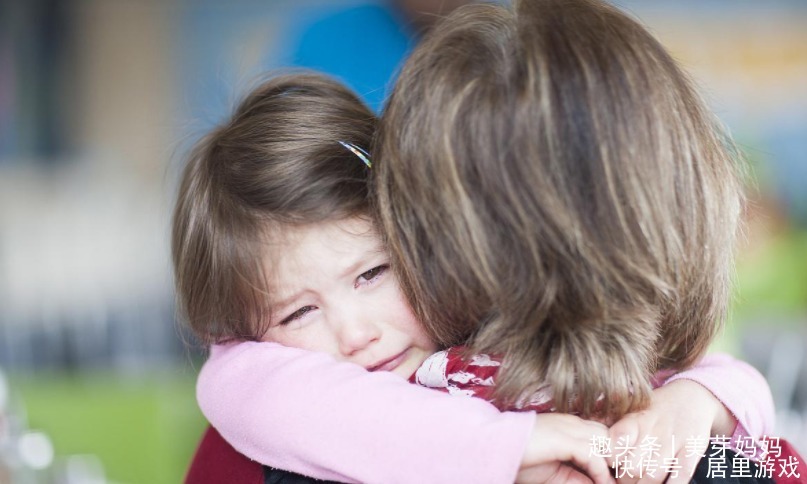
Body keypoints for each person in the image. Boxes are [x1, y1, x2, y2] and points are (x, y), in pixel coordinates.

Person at [177, 70, 775, 484]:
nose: (356, 335)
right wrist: (508, 449)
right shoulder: (278, 419)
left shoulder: (497, 324)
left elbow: (767, 449)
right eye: (298, 312)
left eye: (373, 274)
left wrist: (700, 402)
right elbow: (240, 385)